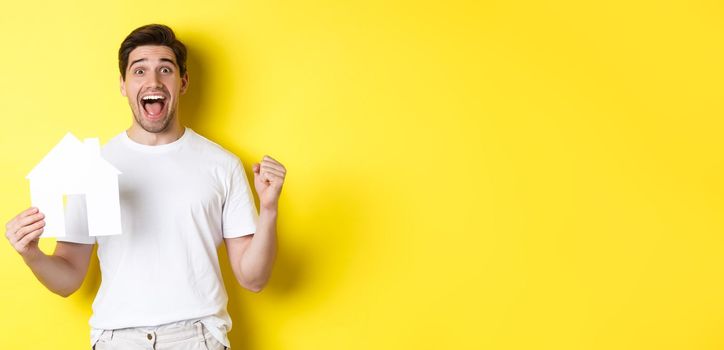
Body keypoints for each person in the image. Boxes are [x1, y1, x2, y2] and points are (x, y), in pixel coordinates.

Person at [4, 24, 286, 350]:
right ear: (123, 85)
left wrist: (269, 209)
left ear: (182, 82)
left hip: (197, 338)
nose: (153, 81)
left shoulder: (222, 164)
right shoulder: (94, 166)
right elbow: (68, 279)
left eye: (165, 69)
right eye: (139, 71)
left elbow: (253, 279)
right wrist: (32, 254)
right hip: (117, 339)